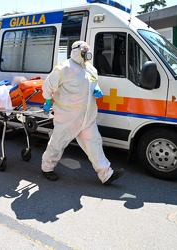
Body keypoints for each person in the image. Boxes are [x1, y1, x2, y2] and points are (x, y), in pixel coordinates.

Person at [41, 41, 125, 185]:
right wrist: (48, 101)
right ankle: (47, 168)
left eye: (88, 50)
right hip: (68, 115)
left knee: (94, 143)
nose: (87, 53)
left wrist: (96, 88)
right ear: (76, 51)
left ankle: (106, 174)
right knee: (57, 143)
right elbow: (47, 85)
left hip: (88, 115)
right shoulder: (64, 68)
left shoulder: (91, 69)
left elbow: (92, 82)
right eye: (84, 50)